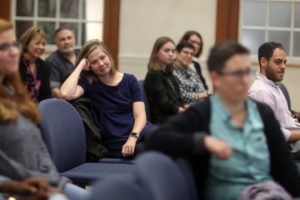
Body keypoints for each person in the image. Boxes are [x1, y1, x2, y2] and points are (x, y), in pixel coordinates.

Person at [145, 41, 300, 199]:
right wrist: (203, 142)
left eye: (247, 72)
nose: (245, 80)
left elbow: (285, 168)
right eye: (237, 73)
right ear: (216, 78)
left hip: (267, 192)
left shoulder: (262, 113)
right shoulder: (204, 113)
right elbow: (154, 139)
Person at [0, 18, 88, 200]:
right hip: (22, 190)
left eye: (14, 45)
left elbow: (39, 151)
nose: (14, 52)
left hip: (46, 182)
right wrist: (19, 187)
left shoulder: (14, 93)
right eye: (4, 47)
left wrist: (57, 183)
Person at [60, 39, 152, 158]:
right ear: (89, 66)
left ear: (108, 56)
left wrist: (133, 138)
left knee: (166, 138)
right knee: (153, 152)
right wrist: (80, 65)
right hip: (118, 141)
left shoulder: (130, 80)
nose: (101, 63)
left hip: (138, 132)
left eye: (102, 57)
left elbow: (140, 116)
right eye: (94, 62)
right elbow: (65, 94)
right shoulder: (89, 83)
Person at [249, 42, 300, 144]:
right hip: (283, 147)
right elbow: (274, 134)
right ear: (263, 62)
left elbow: (285, 123)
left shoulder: (273, 85)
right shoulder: (261, 92)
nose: (283, 66)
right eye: (278, 62)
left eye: (284, 62)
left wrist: (295, 119)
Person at [144, 36, 186, 124]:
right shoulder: (154, 75)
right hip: (162, 120)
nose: (171, 54)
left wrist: (184, 107)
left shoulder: (169, 73)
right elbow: (164, 104)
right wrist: (182, 110)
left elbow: (177, 97)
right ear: (156, 53)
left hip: (174, 115)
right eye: (166, 51)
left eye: (173, 51)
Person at [19, 26, 52, 103]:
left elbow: (46, 94)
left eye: (43, 44)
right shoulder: (15, 62)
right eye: (37, 43)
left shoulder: (45, 66)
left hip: (37, 110)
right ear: (26, 44)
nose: (41, 47)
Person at [46, 28, 79, 98]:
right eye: (62, 39)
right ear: (56, 43)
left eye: (69, 38)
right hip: (69, 101)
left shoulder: (82, 55)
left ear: (74, 40)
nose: (67, 42)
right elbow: (55, 91)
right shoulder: (51, 61)